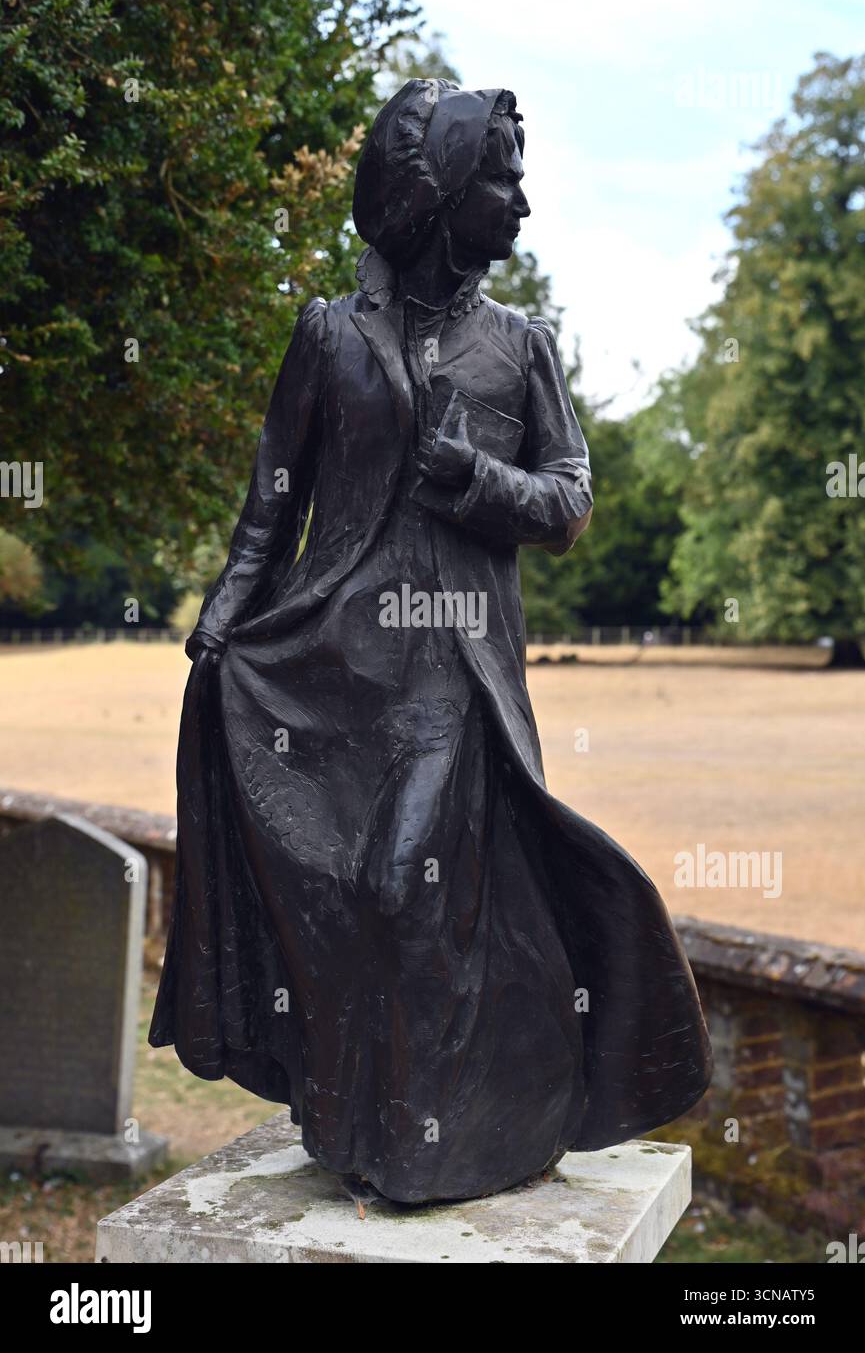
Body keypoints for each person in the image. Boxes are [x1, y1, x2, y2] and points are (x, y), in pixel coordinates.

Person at [150, 80, 712, 1208]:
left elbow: (567, 504)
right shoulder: (328, 334)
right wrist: (223, 615)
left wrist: (476, 483)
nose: (522, 203)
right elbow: (276, 495)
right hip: (328, 666)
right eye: (502, 177)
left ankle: (429, 1142)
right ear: (439, 194)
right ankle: (359, 1122)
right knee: (347, 900)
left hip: (452, 672)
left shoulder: (522, 346)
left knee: (406, 879)